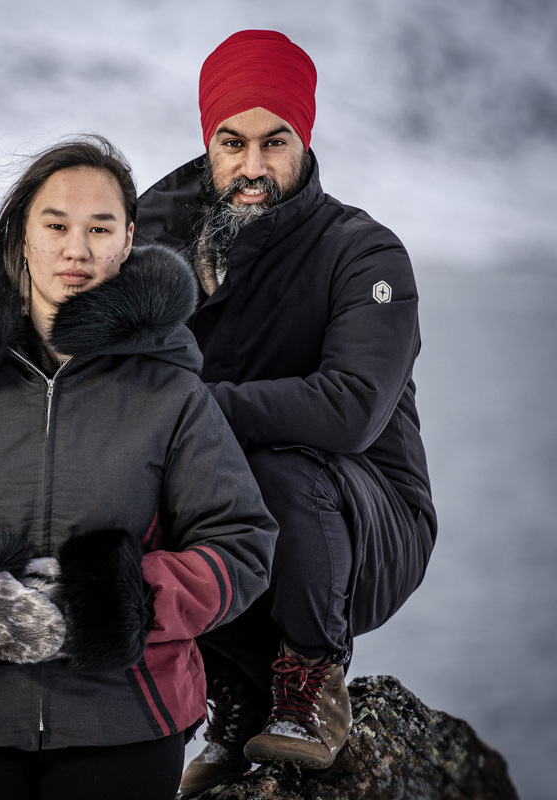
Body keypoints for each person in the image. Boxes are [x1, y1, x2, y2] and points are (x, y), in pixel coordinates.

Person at [0, 135, 279, 800]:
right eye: (57, 225)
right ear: (21, 236)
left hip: (128, 719)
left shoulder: (172, 394)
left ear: (128, 240)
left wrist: (108, 604)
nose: (77, 249)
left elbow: (241, 548)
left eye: (100, 228)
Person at [134, 30, 438, 795]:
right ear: (208, 141)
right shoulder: (149, 247)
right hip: (238, 510)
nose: (254, 167)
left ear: (305, 138)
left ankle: (310, 679)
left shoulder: (364, 254)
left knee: (267, 462)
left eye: (277, 141)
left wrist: (186, 409)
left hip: (366, 526)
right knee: (144, 476)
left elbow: (350, 413)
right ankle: (235, 698)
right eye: (232, 142)